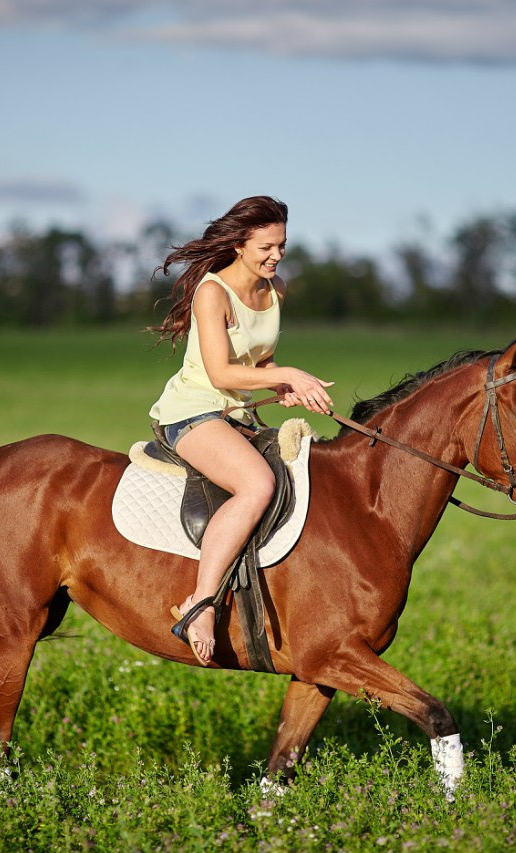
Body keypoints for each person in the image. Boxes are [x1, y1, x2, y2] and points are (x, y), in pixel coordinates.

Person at [148, 196, 334, 666]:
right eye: (267, 247)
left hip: (236, 416)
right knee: (257, 485)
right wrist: (287, 374)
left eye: (283, 247)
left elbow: (259, 360)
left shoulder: (277, 290)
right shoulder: (213, 293)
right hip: (191, 413)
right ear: (238, 244)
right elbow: (221, 374)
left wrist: (281, 381)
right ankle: (201, 605)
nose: (276, 256)